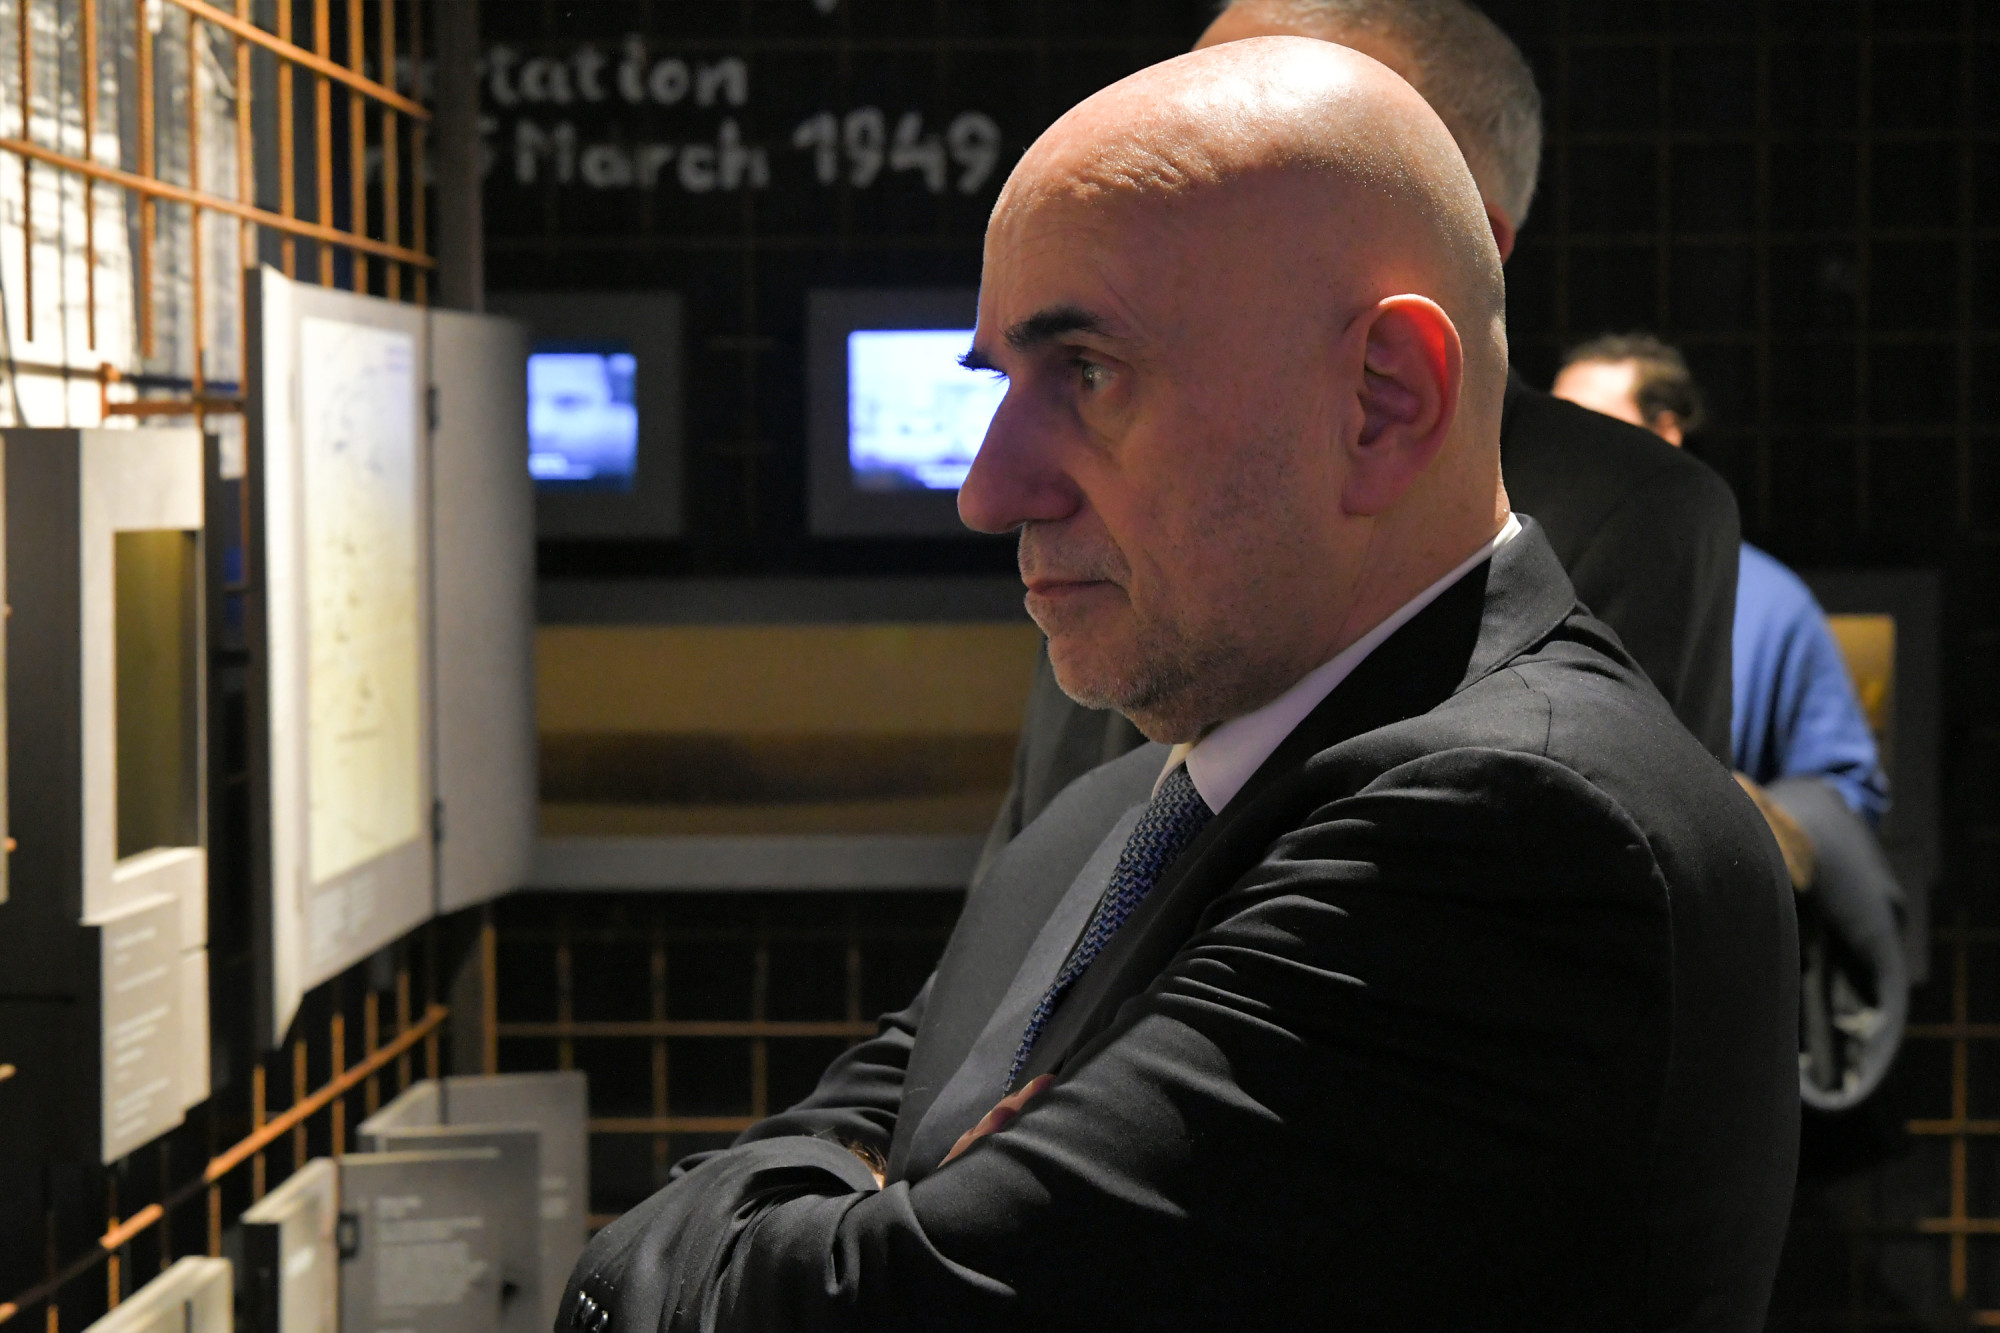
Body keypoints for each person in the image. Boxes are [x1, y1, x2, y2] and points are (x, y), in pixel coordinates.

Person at [561, 40, 1797, 1331]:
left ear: (1381, 402)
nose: (988, 490)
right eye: (1000, 384)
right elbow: (846, 1173)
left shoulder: (1513, 830)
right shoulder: (1135, 810)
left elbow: (871, 1302)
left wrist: (830, 1220)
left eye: (1087, 374)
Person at [979, 0, 1744, 872]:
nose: (991, 495)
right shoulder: (1112, 524)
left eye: (1255, 143)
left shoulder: (1623, 519)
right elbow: (1022, 901)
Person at [1555, 332, 1904, 1113]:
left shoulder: (1768, 601)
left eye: (1593, 423)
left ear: (1666, 433)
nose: (1569, 449)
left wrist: (1749, 813)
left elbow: (1846, 790)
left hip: (1715, 980)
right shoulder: (1528, 577)